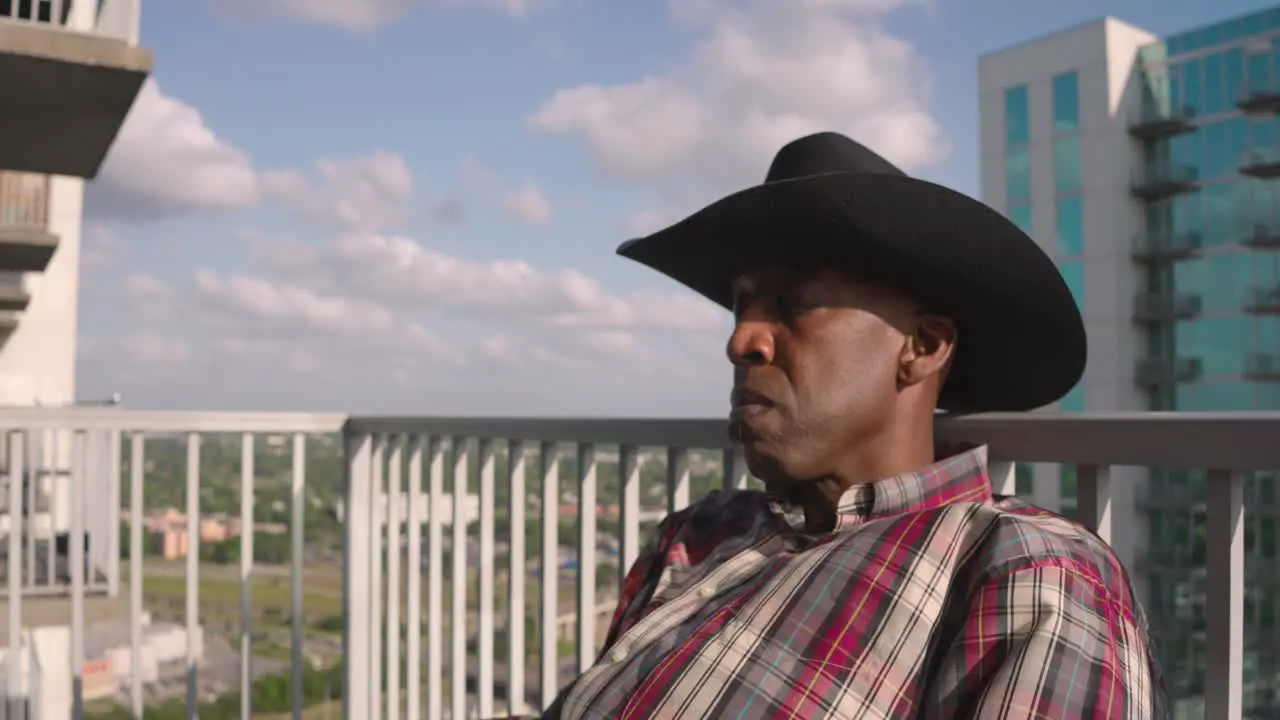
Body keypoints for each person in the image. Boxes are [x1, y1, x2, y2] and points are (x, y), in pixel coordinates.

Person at [528, 132, 1167, 719]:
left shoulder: (1025, 571)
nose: (741, 339)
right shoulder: (701, 531)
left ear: (921, 345)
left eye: (794, 304)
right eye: (739, 305)